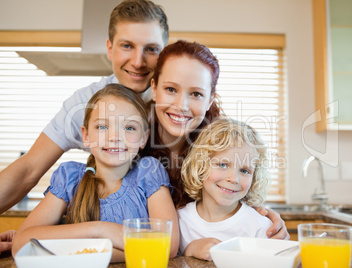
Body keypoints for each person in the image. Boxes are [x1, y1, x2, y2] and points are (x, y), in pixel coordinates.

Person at [0, 0, 287, 250]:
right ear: (110, 47)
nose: (138, 62)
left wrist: (260, 222)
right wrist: (51, 237)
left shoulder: (211, 130)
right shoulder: (91, 103)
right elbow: (28, 170)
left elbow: (235, 182)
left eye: (150, 49)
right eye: (127, 45)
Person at [11, 84, 180, 262]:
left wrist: (90, 250)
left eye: (129, 128)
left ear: (143, 138)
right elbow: (21, 244)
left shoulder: (148, 173)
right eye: (102, 127)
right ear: (86, 136)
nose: (115, 137)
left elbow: (167, 246)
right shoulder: (70, 179)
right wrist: (100, 230)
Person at [144, 40, 289, 241]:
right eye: (170, 89)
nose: (181, 105)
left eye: (196, 93)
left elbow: (236, 201)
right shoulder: (130, 144)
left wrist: (266, 221)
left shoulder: (220, 144)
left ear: (210, 99)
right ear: (154, 88)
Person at [178, 118, 272, 260]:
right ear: (200, 166)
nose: (234, 179)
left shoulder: (260, 226)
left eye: (245, 171)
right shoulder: (180, 220)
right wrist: (189, 250)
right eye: (223, 165)